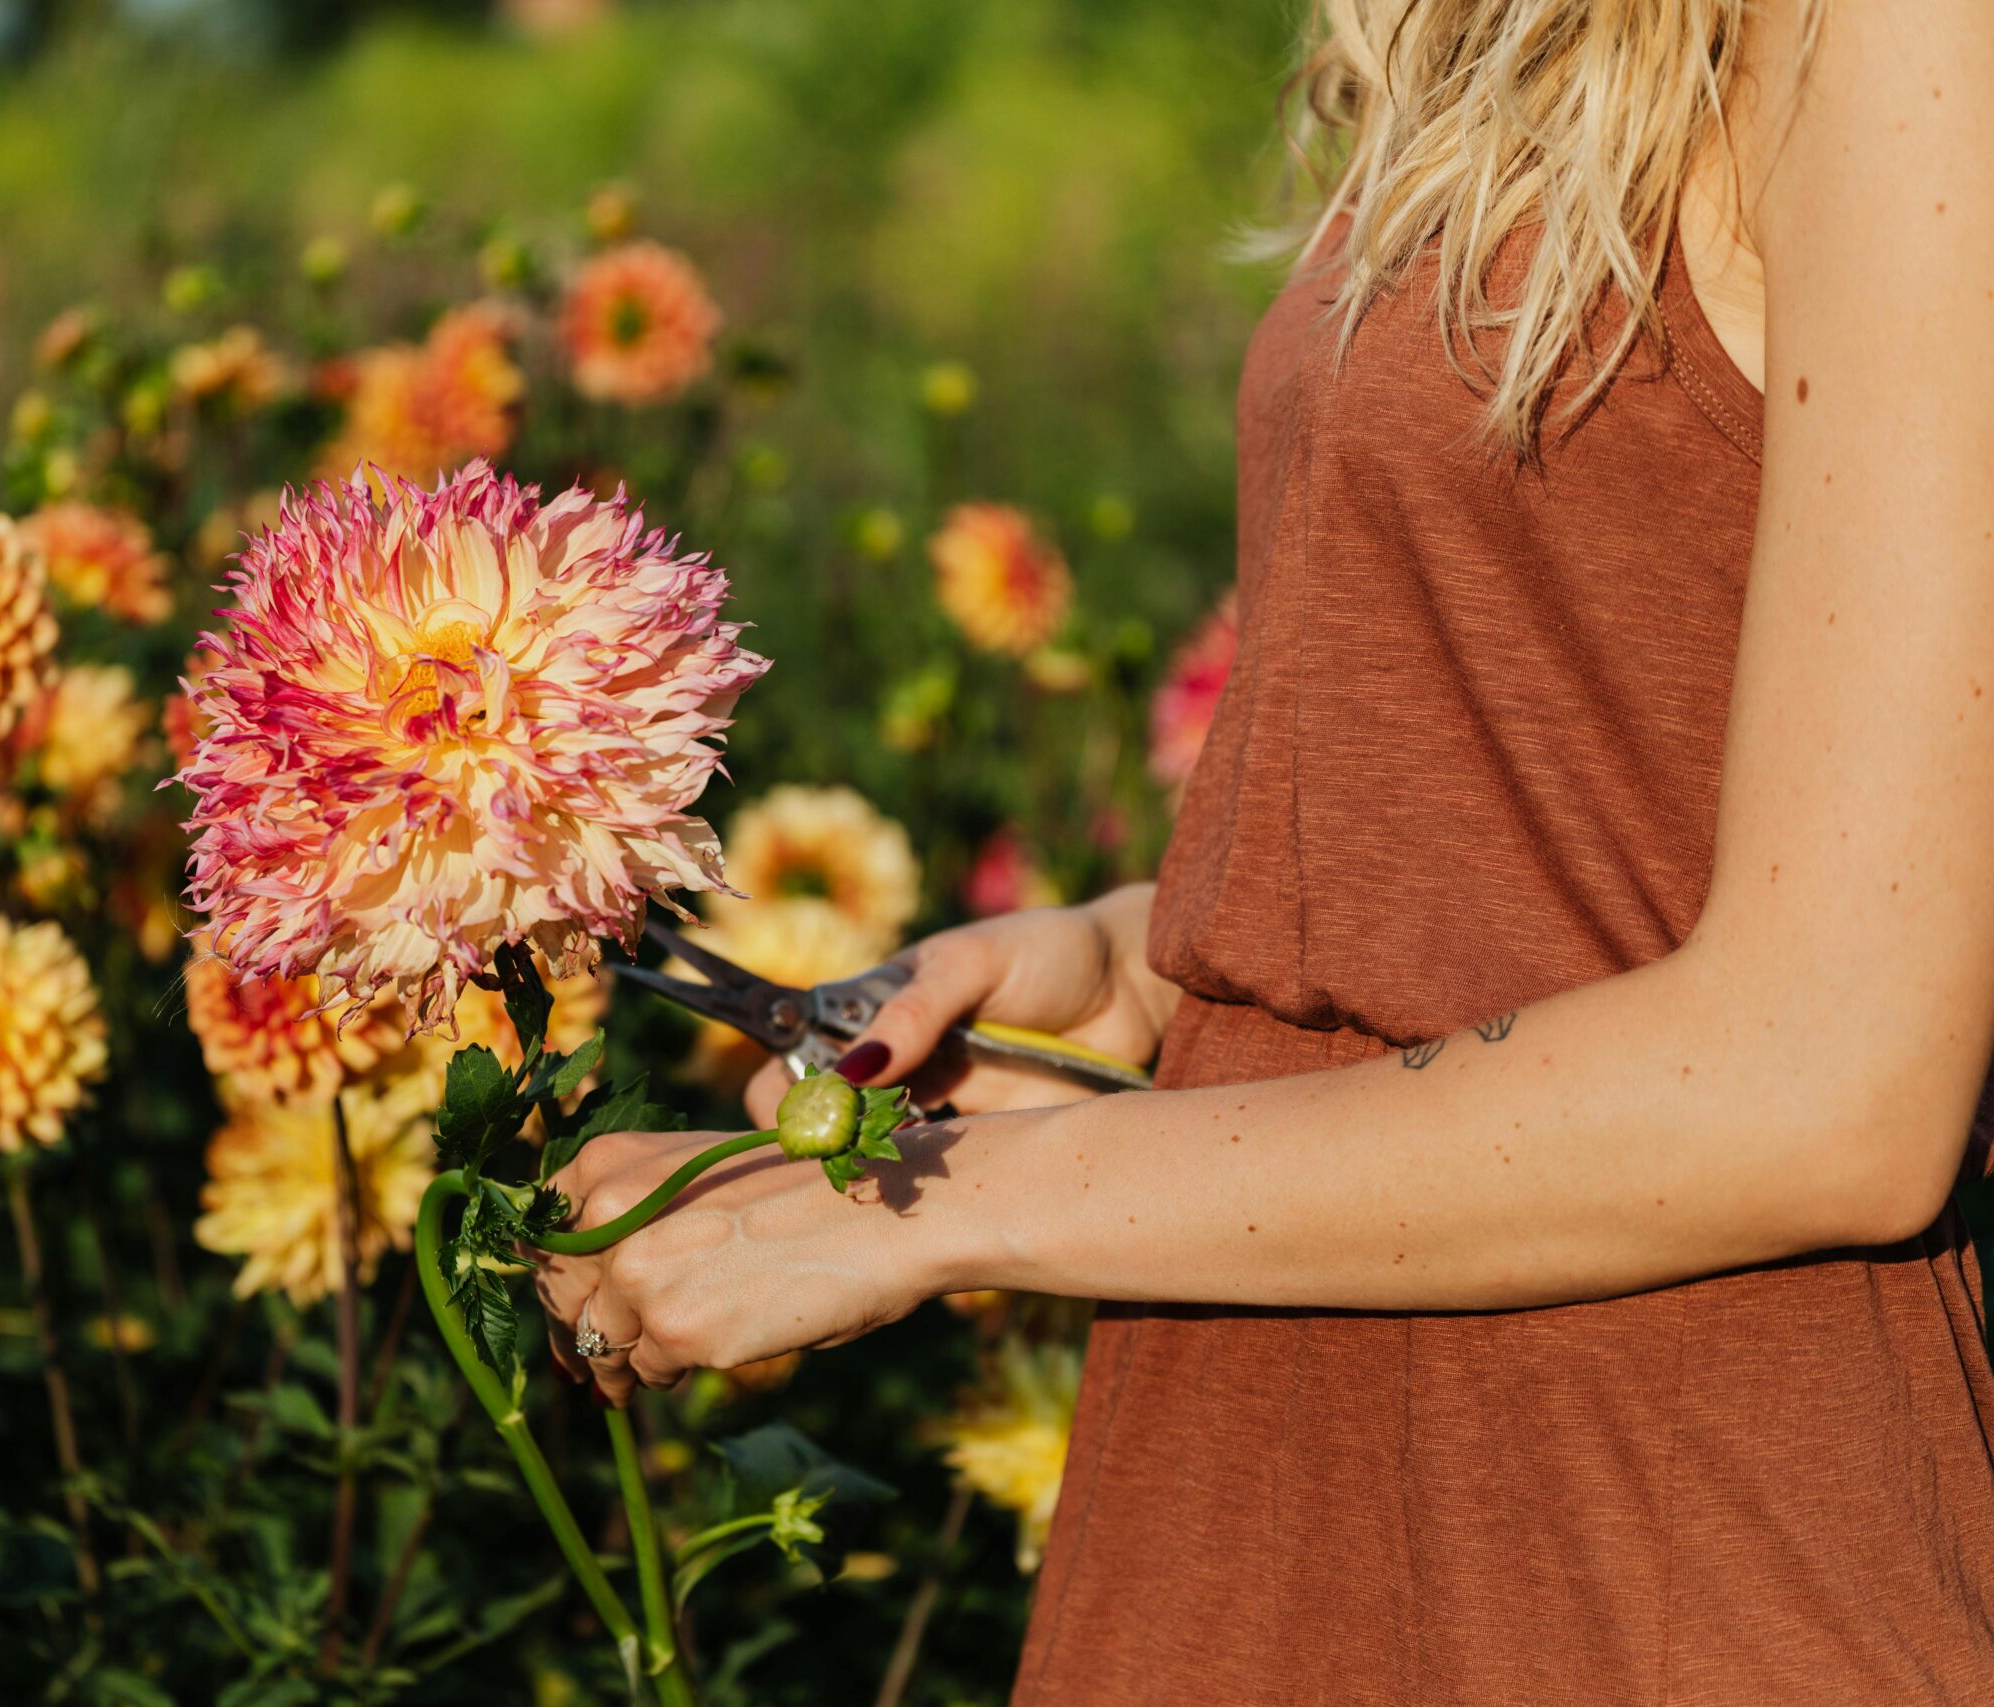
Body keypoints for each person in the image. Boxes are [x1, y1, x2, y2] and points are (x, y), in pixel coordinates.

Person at [535, 0, 1994, 1698]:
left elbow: (1829, 1080)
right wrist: (1155, 965)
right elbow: (1579, 805)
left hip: (1645, 1540)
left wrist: (918, 1209)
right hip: (1249, 1496)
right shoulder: (1496, 37)